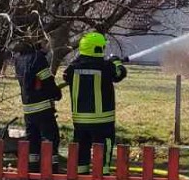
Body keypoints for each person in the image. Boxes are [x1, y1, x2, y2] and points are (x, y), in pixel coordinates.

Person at [63, 31, 127, 171]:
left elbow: (66, 77)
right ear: (98, 49)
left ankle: (81, 173)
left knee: (81, 147)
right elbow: (120, 74)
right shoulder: (105, 66)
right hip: (102, 120)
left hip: (80, 120)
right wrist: (116, 62)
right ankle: (102, 173)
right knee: (104, 146)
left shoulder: (73, 67)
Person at [12, 36, 62, 162]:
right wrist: (56, 93)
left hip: (28, 109)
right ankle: (51, 170)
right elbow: (47, 81)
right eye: (43, 43)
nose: (45, 46)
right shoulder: (37, 59)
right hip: (43, 108)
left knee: (32, 142)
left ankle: (33, 171)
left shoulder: (18, 60)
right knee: (50, 139)